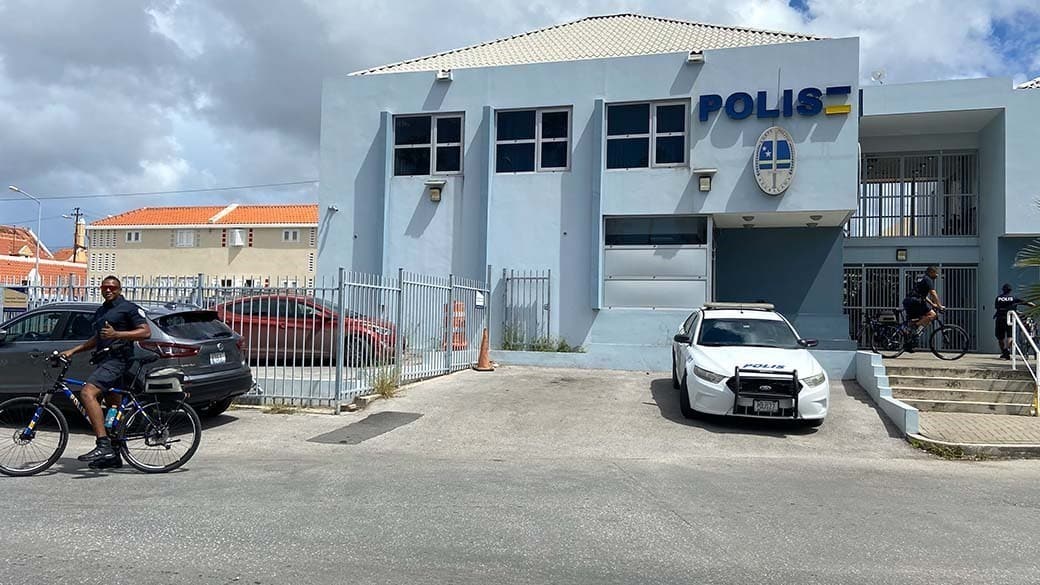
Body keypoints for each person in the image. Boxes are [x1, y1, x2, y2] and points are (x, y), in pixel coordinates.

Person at [60, 276, 151, 468]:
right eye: (105, 287)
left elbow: (145, 332)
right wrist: (73, 351)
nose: (108, 290)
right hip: (105, 360)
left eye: (112, 287)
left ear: (119, 289)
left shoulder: (129, 308)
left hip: (119, 360)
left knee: (87, 392)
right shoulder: (102, 310)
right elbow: (98, 338)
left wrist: (117, 335)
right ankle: (114, 456)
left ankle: (102, 444)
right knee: (112, 409)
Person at [901, 266, 945, 351]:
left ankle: (909, 343)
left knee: (920, 320)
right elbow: (933, 293)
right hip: (915, 302)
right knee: (933, 315)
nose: (937, 275)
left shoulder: (922, 279)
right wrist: (939, 305)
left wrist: (933, 304)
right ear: (931, 272)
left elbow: (923, 296)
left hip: (910, 301)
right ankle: (915, 327)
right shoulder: (928, 279)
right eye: (935, 273)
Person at [994, 283, 1036, 359]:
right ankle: (1007, 349)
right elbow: (1026, 303)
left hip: (1000, 319)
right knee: (1010, 336)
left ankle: (1004, 352)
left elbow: (997, 308)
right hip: (1009, 318)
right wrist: (1034, 306)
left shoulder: (998, 298)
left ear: (1003, 290)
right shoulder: (1013, 298)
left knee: (1000, 337)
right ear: (1010, 290)